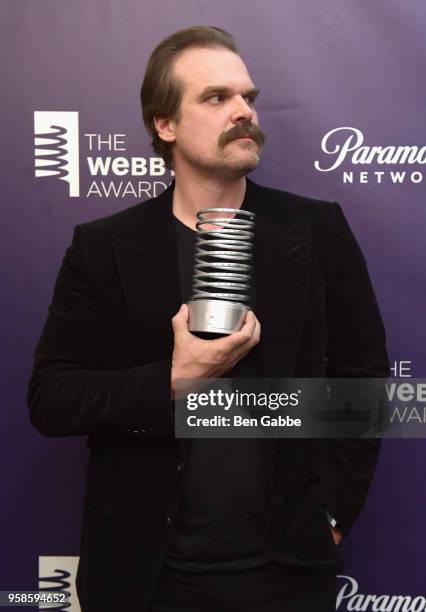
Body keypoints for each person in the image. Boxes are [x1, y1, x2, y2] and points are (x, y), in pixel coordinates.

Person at [28, 26, 389, 612]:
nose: (244, 111)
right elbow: (51, 398)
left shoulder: (317, 231)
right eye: (216, 98)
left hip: (288, 570)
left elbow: (366, 382)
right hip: (145, 573)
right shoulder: (103, 247)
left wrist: (331, 514)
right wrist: (174, 380)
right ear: (164, 125)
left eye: (248, 97)